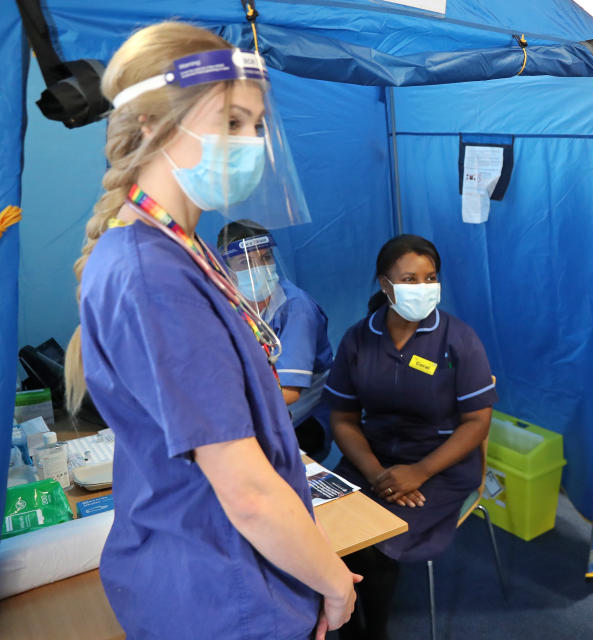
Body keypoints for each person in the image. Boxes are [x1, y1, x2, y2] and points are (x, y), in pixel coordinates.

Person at [62, 22, 359, 638]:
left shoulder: (180, 248)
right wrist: (332, 580)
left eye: (256, 124)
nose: (249, 141)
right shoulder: (153, 273)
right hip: (224, 591)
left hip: (215, 565)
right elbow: (246, 491)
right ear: (152, 126)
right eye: (229, 123)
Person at [322, 234, 497, 640]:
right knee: (323, 522)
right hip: (371, 461)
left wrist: (417, 473)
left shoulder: (458, 340)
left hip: (441, 465)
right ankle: (344, 616)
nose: (423, 288)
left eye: (430, 278)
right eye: (410, 279)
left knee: (379, 543)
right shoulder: (358, 339)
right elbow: (344, 418)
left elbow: (476, 423)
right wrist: (378, 474)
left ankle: (371, 633)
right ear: (385, 285)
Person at [217, 220, 334, 457]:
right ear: (226, 268)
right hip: (252, 409)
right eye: (245, 262)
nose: (259, 267)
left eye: (266, 257)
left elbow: (289, 393)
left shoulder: (295, 308)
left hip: (301, 421)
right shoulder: (227, 302)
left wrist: (224, 413)